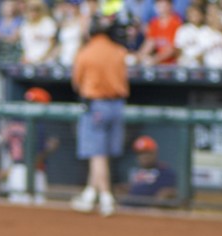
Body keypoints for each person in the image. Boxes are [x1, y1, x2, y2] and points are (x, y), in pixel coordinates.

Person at [71, 18, 129, 217]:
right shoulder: (118, 51)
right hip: (117, 105)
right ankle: (90, 194)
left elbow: (76, 82)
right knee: (105, 154)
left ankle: (105, 197)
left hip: (96, 104)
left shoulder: (86, 52)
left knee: (97, 154)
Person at [123, 135, 177, 204]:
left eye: (147, 153)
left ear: (154, 153)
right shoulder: (134, 171)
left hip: (152, 211)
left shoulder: (165, 172)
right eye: (140, 153)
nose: (143, 157)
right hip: (130, 210)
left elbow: (167, 194)